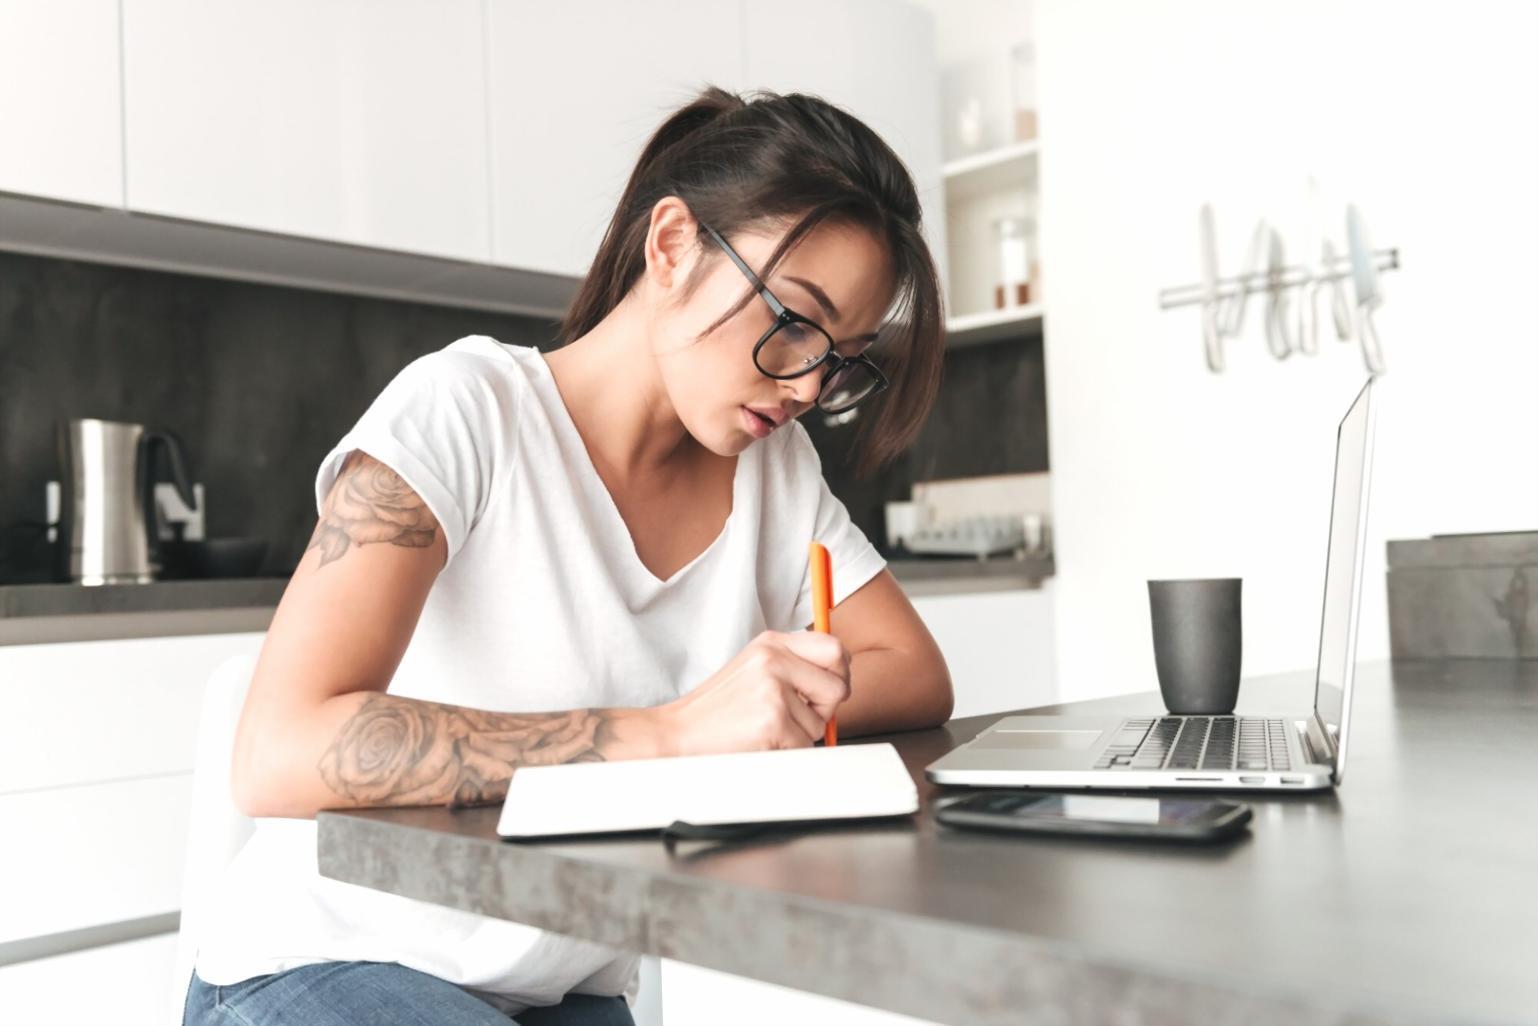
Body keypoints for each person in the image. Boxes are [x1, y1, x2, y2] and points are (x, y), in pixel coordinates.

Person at [183, 84, 953, 1026]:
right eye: (792, 320)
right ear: (672, 244)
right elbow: (276, 751)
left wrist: (754, 709)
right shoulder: (465, 410)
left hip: (558, 987)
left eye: (843, 358)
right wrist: (673, 733)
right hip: (323, 965)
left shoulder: (774, 469)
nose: (807, 385)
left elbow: (913, 670)